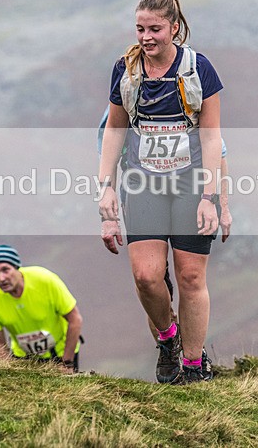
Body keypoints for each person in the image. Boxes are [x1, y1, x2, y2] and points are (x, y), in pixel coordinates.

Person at [98, 0, 223, 384]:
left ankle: (191, 366)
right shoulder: (127, 70)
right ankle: (168, 337)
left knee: (189, 278)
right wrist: (105, 188)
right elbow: (114, 130)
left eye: (154, 29)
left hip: (190, 183)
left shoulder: (198, 69)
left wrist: (211, 197)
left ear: (174, 27)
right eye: (140, 29)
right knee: (147, 276)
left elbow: (212, 137)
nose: (146, 37)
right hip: (142, 183)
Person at [97, 106, 233, 344]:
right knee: (150, 278)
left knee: (190, 276)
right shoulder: (121, 105)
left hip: (191, 190)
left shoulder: (190, 97)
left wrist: (224, 207)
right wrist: (108, 217)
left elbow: (218, 154)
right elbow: (108, 160)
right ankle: (168, 342)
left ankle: (193, 361)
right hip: (143, 193)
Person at [0, 244, 83, 373]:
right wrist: (10, 370)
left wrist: (67, 363)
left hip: (61, 353)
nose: (1, 278)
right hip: (23, 357)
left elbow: (75, 320)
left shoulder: (45, 280)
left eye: (6, 270)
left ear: (17, 268)